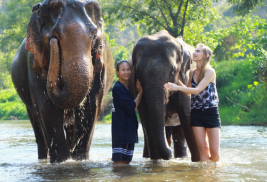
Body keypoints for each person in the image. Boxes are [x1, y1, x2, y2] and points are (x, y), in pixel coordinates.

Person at [164, 44, 221, 162]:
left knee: (214, 152)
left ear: (206, 55)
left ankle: (215, 175)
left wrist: (177, 88)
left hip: (211, 112)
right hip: (196, 113)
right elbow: (188, 92)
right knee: (203, 148)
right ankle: (205, 175)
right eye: (195, 50)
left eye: (198, 51)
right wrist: (177, 81)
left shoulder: (210, 72)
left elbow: (197, 90)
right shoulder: (191, 72)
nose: (194, 53)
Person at [111, 60, 143, 165]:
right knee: (118, 163)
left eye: (128, 69)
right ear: (117, 72)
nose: (126, 72)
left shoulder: (127, 87)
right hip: (121, 131)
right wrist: (140, 93)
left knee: (126, 162)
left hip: (129, 131)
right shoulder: (117, 88)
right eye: (123, 70)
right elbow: (131, 107)